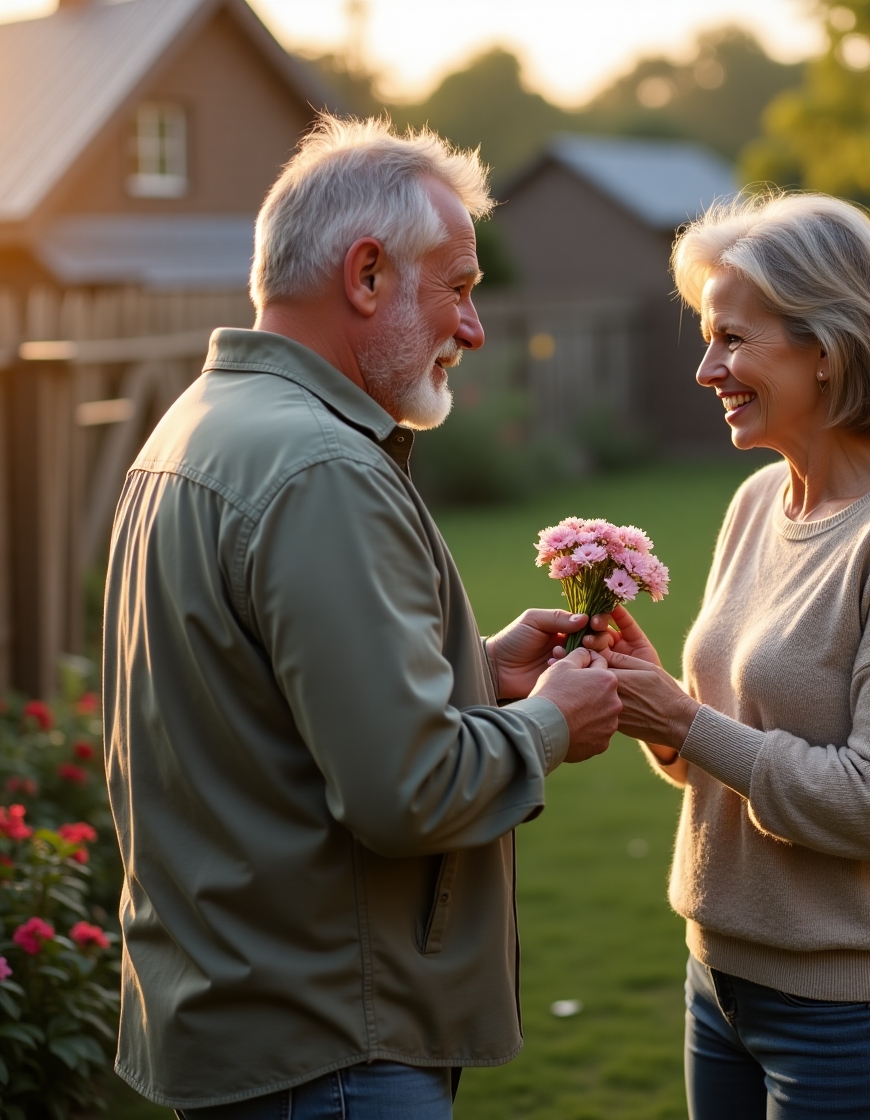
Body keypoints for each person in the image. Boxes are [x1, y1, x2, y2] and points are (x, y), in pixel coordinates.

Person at [102, 116, 621, 1120]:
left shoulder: (197, 426)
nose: (473, 329)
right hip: (332, 1049)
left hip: (243, 1024)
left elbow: (252, 699)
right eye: (459, 289)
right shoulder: (323, 468)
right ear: (368, 274)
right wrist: (552, 723)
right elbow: (405, 791)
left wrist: (476, 667)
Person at [588, 192, 870, 1118]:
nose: (706, 369)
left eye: (732, 339)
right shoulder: (757, 503)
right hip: (721, 983)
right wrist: (654, 707)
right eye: (707, 337)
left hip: (858, 1016)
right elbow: (726, 754)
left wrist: (686, 720)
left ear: (828, 345)